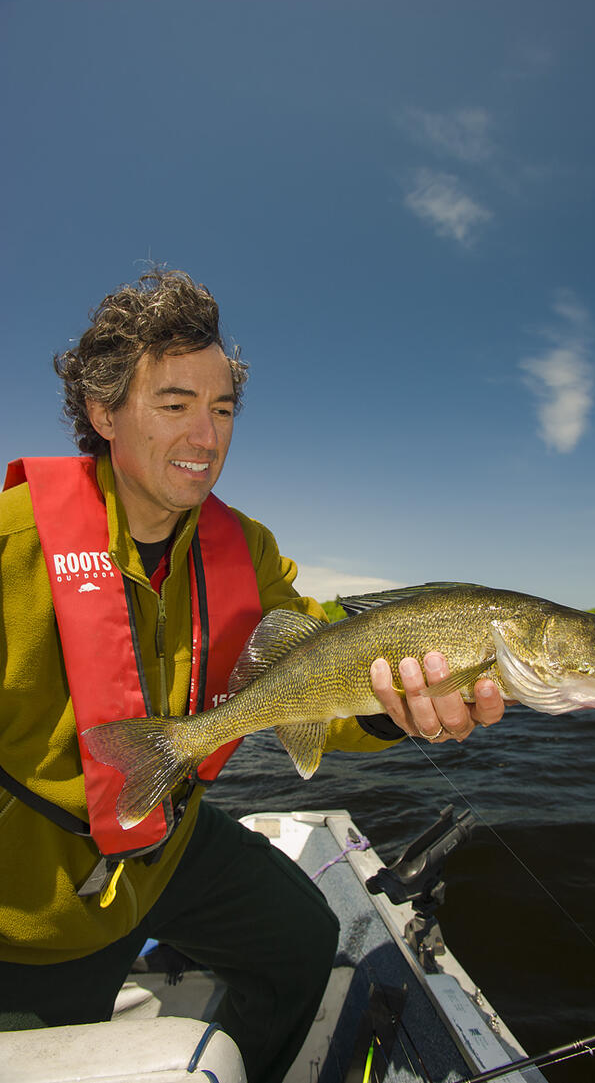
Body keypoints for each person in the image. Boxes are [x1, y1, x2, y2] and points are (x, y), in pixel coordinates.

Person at [0, 269, 505, 1083]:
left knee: (303, 942)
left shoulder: (249, 550)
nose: (207, 435)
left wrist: (394, 710)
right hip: (26, 915)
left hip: (167, 848)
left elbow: (322, 676)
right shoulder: (11, 540)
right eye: (174, 404)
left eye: (223, 408)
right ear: (102, 414)